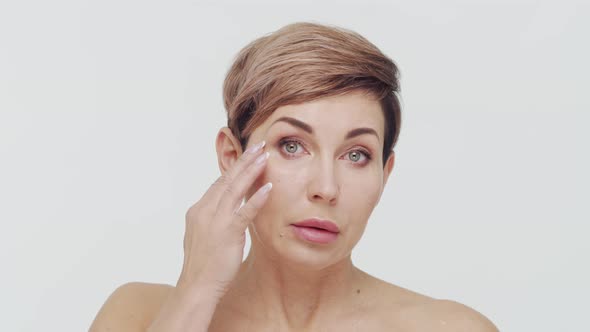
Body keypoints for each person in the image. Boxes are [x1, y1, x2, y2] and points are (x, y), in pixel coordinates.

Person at [90, 22, 499, 331]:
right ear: (232, 156)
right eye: (292, 145)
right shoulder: (137, 315)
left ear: (384, 173)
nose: (326, 188)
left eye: (356, 155)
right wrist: (194, 295)